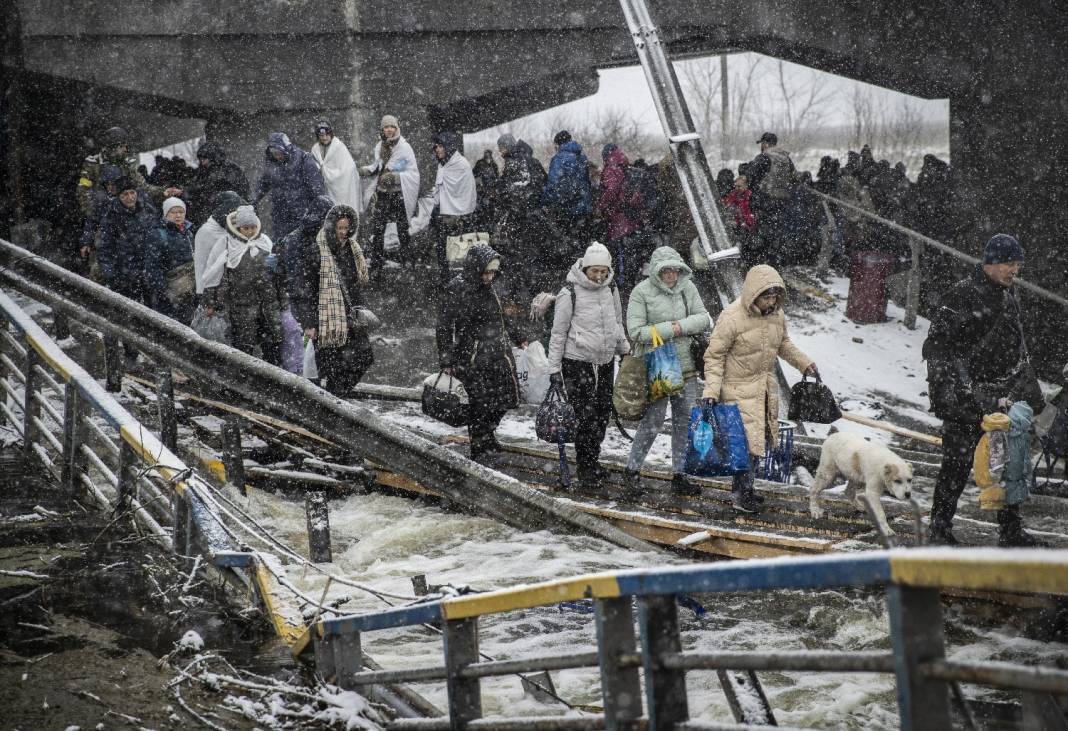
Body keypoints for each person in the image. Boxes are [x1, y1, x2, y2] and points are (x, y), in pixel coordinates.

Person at [922, 234, 1045, 547]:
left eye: (1017, 264)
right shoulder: (962, 294)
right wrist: (950, 393)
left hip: (1001, 396)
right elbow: (937, 347)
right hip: (966, 395)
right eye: (1008, 263)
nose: (1014, 270)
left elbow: (1015, 348)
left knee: (1008, 464)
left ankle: (1010, 531)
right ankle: (939, 530)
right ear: (990, 262)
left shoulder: (1008, 296)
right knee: (957, 464)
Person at [701, 265, 816, 512]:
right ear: (754, 294)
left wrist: (804, 364)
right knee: (745, 444)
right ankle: (740, 494)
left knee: (758, 442)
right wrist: (711, 390)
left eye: (775, 296)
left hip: (762, 389)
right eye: (766, 296)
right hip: (736, 388)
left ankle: (747, 489)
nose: (771, 301)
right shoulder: (732, 317)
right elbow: (714, 356)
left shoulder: (776, 315)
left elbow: (783, 344)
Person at [622, 246, 710, 497]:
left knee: (684, 422)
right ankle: (632, 470)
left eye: (675, 270)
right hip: (657, 366)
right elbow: (636, 331)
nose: (671, 275)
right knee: (653, 421)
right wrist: (674, 329)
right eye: (666, 271)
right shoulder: (641, 292)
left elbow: (704, 319)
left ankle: (679, 474)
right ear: (656, 271)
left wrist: (675, 327)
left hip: (688, 367)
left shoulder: (688, 288)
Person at [546, 242, 630, 489]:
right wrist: (554, 369)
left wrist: (624, 348)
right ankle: (586, 467)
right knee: (585, 417)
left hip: (604, 361)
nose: (600, 275)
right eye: (595, 271)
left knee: (603, 414)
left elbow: (616, 322)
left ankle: (593, 460)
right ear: (584, 268)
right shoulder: (569, 292)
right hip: (577, 362)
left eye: (604, 271)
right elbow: (558, 333)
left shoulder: (610, 288)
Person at [437, 244, 521, 462]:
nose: (489, 276)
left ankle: (487, 435)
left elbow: (503, 316)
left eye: (493, 272)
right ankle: (480, 448)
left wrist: (519, 337)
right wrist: (446, 359)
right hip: (472, 357)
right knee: (480, 406)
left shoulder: (494, 286)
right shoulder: (458, 288)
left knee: (506, 398)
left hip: (499, 353)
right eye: (486, 272)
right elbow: (444, 326)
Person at [289, 204, 375, 394]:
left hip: (349, 319)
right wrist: (309, 322)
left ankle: (337, 396)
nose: (344, 232)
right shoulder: (316, 251)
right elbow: (303, 290)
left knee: (363, 356)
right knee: (330, 366)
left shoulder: (353, 250)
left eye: (347, 228)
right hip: (325, 321)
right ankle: (334, 401)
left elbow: (355, 286)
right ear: (331, 227)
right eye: (340, 228)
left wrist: (360, 309)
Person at [201, 205, 284, 365]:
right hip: (241, 305)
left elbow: (277, 277)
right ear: (238, 227)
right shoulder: (226, 244)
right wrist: (210, 302)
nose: (250, 231)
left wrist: (282, 301)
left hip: (267, 304)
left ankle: (271, 384)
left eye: (253, 227)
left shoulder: (264, 242)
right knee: (243, 347)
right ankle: (244, 383)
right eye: (246, 228)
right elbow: (214, 275)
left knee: (271, 345)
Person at [97, 177, 157, 390]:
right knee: (128, 314)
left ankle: (150, 349)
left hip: (146, 271)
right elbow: (104, 248)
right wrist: (111, 274)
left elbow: (155, 238)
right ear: (119, 196)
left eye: (132, 193)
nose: (130, 197)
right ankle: (131, 350)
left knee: (151, 311)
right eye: (125, 194)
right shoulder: (111, 217)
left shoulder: (146, 211)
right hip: (124, 273)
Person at [361, 115, 420, 272]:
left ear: (396, 128)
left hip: (398, 194)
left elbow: (412, 172)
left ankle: (407, 261)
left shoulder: (404, 147)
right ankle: (376, 263)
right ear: (382, 129)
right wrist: (367, 170)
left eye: (392, 127)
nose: (389, 129)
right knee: (378, 229)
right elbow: (379, 166)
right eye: (386, 127)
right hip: (383, 193)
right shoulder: (379, 146)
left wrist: (395, 176)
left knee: (402, 229)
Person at [77, 126, 173, 217]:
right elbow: (83, 189)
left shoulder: (127, 164)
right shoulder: (93, 163)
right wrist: (91, 212)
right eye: (123, 146)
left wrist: (163, 192)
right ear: (113, 147)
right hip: (102, 212)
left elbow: (143, 186)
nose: (126, 149)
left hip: (124, 214)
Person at [495, 134, 548, 293]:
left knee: (519, 255)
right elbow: (543, 184)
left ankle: (522, 291)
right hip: (533, 216)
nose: (500, 152)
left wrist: (503, 199)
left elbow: (510, 192)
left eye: (502, 148)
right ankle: (535, 289)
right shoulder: (531, 161)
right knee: (532, 254)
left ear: (509, 146)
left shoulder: (515, 163)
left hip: (520, 218)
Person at [253, 132, 327, 240]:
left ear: (286, 148)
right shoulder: (271, 163)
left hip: (302, 214)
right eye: (273, 152)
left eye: (279, 151)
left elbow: (317, 188)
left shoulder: (304, 159)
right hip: (280, 215)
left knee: (300, 247)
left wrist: (317, 213)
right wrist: (253, 200)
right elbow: (264, 183)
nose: (277, 155)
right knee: (280, 246)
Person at [596, 144, 649, 290]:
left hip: (619, 218)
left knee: (621, 251)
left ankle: (623, 283)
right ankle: (633, 279)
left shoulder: (611, 168)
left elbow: (611, 189)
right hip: (631, 215)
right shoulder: (626, 166)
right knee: (631, 251)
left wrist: (602, 205)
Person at [429, 131, 477, 282]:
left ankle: (464, 280)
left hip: (458, 216)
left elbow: (466, 191)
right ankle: (445, 278)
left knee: (460, 249)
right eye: (435, 146)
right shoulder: (442, 165)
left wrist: (458, 213)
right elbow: (440, 188)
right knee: (441, 248)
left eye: (440, 146)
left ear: (448, 147)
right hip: (441, 214)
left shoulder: (461, 164)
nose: (437, 149)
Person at [745, 132, 796, 268]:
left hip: (764, 203)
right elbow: (794, 179)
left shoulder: (763, 157)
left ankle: (762, 266)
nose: (761, 146)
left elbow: (750, 177)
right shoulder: (786, 158)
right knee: (776, 236)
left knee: (761, 237)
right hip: (782, 203)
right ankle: (775, 264)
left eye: (762, 144)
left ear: (765, 144)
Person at [542, 130, 593, 264]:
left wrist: (544, 200)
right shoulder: (582, 157)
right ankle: (585, 267)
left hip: (567, 208)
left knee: (567, 244)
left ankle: (572, 271)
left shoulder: (559, 159)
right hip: (583, 206)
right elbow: (587, 181)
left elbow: (553, 184)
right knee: (582, 242)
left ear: (558, 143)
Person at [144, 197, 196, 324]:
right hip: (169, 290)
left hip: (188, 289)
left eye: (181, 212)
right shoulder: (158, 234)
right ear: (166, 214)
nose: (178, 215)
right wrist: (162, 291)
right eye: (173, 212)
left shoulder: (189, 233)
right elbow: (152, 265)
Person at [185, 141, 250, 226]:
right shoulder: (203, 171)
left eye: (205, 159)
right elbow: (197, 188)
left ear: (213, 157)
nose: (202, 162)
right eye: (201, 159)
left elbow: (240, 193)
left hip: (227, 215)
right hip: (208, 215)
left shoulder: (230, 170)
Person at [309, 120, 362, 213]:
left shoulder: (338, 147)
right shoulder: (315, 149)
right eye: (321, 136)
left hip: (340, 189)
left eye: (326, 135)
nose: (324, 138)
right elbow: (313, 166)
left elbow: (349, 169)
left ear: (331, 134)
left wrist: (330, 175)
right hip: (323, 188)